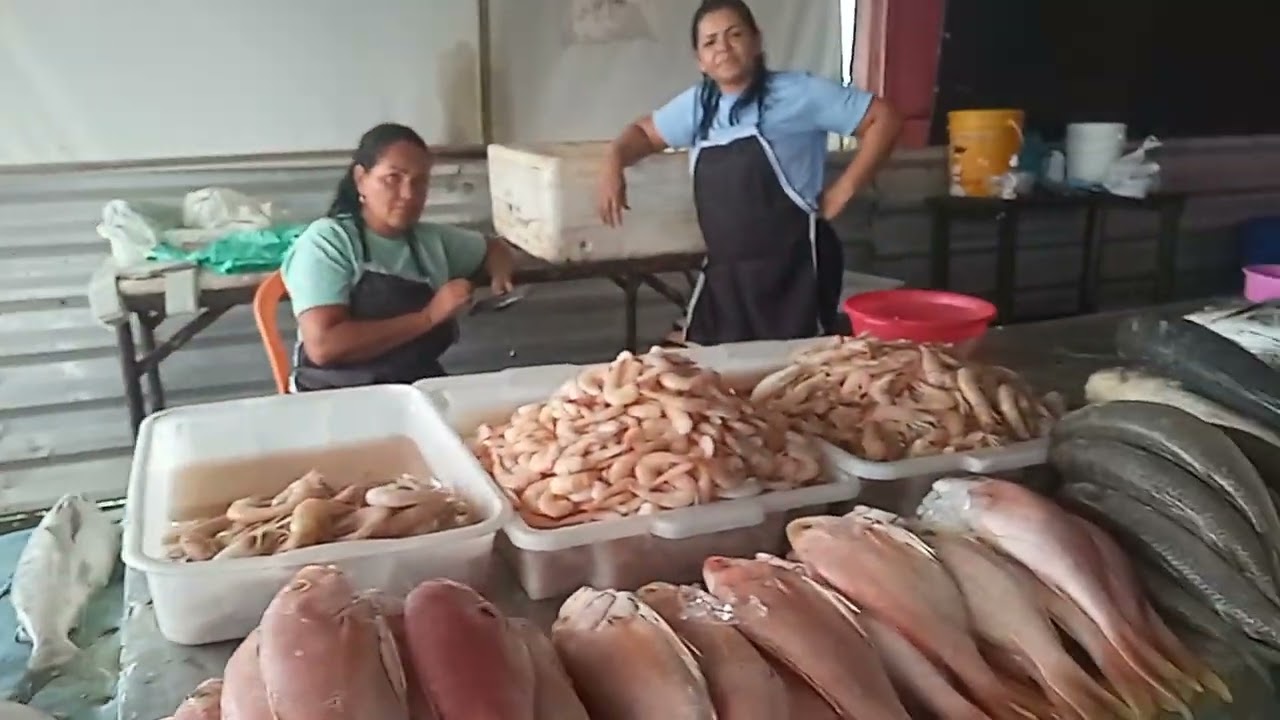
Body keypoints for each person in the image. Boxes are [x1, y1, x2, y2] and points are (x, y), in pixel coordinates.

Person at [597, 0, 902, 346]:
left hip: (794, 275)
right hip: (726, 280)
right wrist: (613, 159)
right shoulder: (698, 106)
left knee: (791, 369)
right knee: (704, 367)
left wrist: (844, 189)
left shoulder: (798, 92)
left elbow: (884, 119)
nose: (723, 48)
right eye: (710, 42)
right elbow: (644, 133)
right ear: (700, 60)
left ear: (756, 42)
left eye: (735, 35)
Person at [281, 123, 515, 391]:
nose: (408, 194)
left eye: (420, 182)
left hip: (413, 385)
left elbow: (494, 247)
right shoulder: (329, 241)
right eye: (393, 178)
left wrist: (500, 276)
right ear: (361, 179)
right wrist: (429, 317)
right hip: (335, 393)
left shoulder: (431, 241)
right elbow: (324, 346)